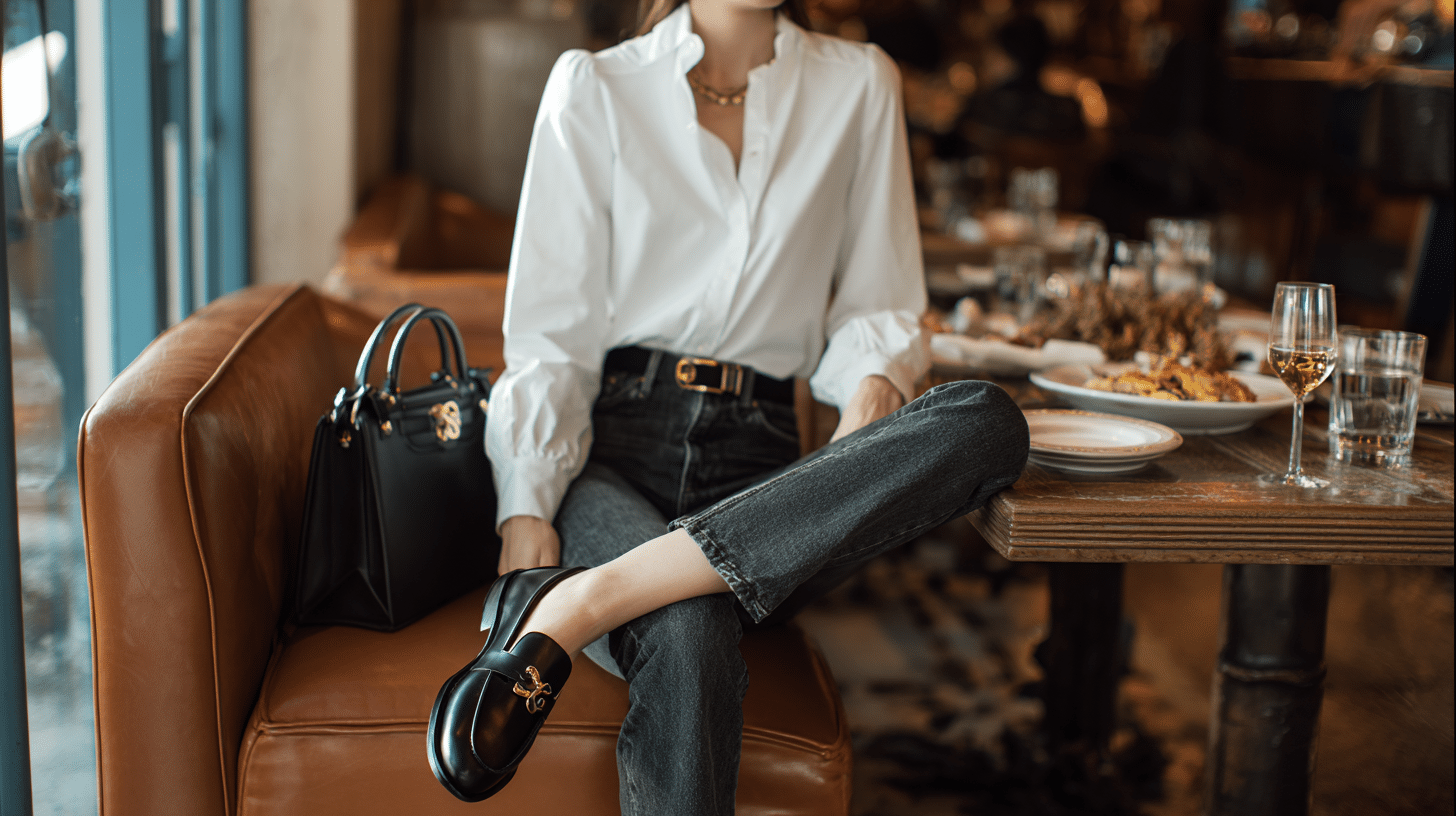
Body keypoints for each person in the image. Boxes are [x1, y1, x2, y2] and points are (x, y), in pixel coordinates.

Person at [427, 0, 1030, 810]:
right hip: (615, 447)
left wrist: (873, 382)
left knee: (986, 421)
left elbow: (878, 303)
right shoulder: (596, 88)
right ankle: (593, 587)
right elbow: (552, 338)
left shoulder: (861, 83)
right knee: (689, 630)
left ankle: (585, 600)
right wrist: (528, 518)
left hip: (774, 471)